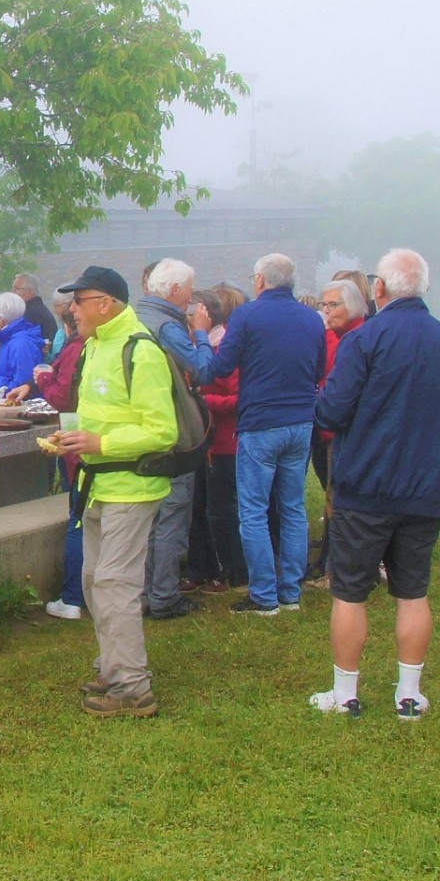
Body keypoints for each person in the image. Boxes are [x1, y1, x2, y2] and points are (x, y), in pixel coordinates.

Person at [310, 249, 440, 721]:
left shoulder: (364, 342)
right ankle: (409, 693)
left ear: (378, 288)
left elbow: (330, 412)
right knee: (412, 591)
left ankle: (346, 694)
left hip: (366, 484)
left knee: (350, 591)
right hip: (427, 486)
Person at [50, 265, 177, 719]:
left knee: (114, 583)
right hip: (97, 483)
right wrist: (73, 438)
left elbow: (162, 431)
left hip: (133, 486)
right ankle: (113, 664)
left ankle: (132, 688)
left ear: (105, 303)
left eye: (78, 301)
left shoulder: (141, 351)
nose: (71, 310)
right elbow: (100, 412)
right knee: (92, 579)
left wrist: (101, 444)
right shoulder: (93, 348)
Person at [205, 253, 326, 616]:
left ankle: (263, 595)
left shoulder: (247, 315)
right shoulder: (311, 318)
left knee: (254, 511)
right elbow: (318, 369)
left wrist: (198, 338)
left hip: (260, 422)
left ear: (260, 280)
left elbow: (221, 366)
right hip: (301, 421)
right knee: (293, 508)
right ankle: (290, 591)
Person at [133, 258, 217, 620]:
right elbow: (203, 370)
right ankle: (164, 595)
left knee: (150, 518)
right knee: (172, 515)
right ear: (176, 290)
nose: (191, 296)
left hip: (141, 426)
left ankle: (148, 592)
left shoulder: (136, 317)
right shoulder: (168, 325)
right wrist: (200, 332)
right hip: (172, 428)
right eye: (189, 288)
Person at [308, 277, 369, 587]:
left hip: (346, 431)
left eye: (334, 305)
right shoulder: (335, 336)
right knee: (335, 498)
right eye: (324, 305)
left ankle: (341, 572)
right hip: (331, 429)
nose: (327, 311)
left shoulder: (359, 338)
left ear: (354, 306)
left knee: (342, 502)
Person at [31, 304, 89, 621]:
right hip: (98, 444)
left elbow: (63, 398)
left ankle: (72, 597)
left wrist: (43, 379)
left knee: (78, 520)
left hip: (80, 443)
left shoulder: (76, 349)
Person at [189, 287, 244, 595]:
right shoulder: (203, 348)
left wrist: (203, 401)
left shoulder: (225, 349)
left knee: (222, 511)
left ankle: (234, 571)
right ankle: (206, 569)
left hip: (225, 442)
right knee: (201, 508)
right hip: (205, 442)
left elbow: (239, 397)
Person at [0, 291, 45, 397]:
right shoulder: (9, 339)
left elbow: (21, 386)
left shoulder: (20, 344)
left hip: (22, 406)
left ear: (1, 318)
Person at [12, 272, 60, 346]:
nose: (12, 292)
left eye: (16, 289)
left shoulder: (31, 314)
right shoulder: (39, 309)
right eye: (13, 288)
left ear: (30, 291)